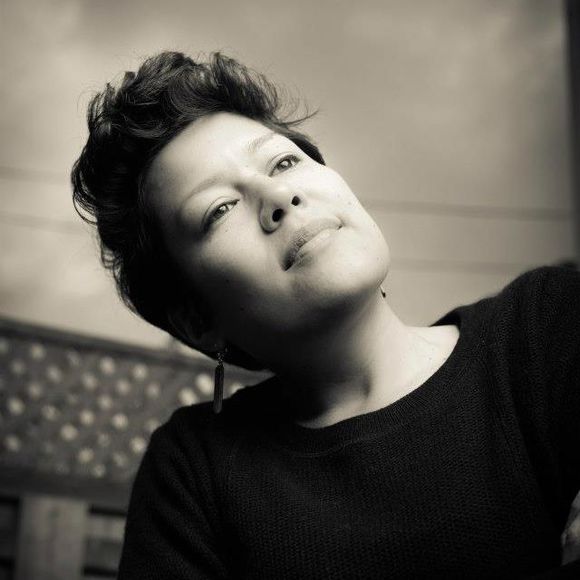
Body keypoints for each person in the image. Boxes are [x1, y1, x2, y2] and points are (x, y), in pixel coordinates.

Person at [71, 51, 580, 579]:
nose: (280, 195)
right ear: (197, 319)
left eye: (284, 163)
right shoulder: (194, 473)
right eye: (220, 209)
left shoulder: (546, 330)